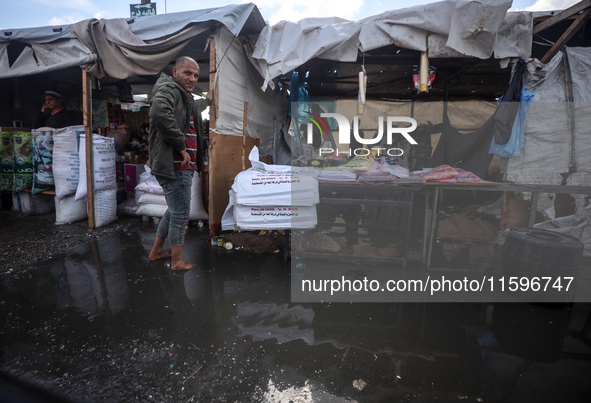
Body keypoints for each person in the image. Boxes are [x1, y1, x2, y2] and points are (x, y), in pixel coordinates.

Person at [147, 56, 211, 270]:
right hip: (176, 163)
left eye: (195, 75)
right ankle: (177, 261)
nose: (192, 78)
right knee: (181, 213)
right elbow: (158, 113)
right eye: (187, 73)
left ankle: (157, 251)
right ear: (175, 72)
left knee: (174, 210)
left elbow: (195, 107)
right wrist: (181, 146)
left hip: (180, 164)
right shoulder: (169, 90)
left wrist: (208, 100)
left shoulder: (184, 96)